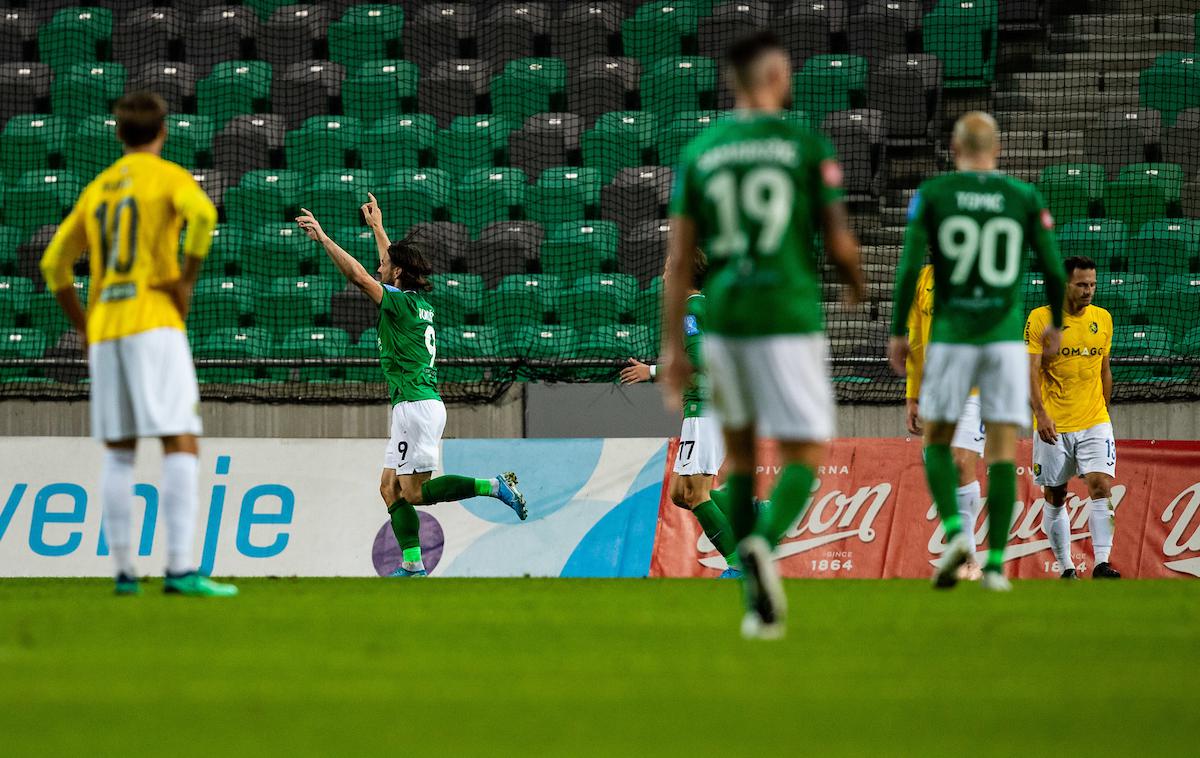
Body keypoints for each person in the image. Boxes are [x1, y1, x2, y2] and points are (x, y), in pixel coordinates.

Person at [661, 31, 865, 639]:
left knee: (742, 457)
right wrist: (857, 283)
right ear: (777, 75)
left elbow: (679, 260)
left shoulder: (703, 151)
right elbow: (838, 240)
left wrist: (673, 348)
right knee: (804, 453)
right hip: (788, 315)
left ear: (732, 81)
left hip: (728, 317)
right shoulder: (803, 145)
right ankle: (762, 545)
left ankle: (748, 567)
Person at [39, 91, 236, 596]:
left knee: (120, 451)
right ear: (162, 131)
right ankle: (178, 569)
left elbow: (53, 265)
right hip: (154, 323)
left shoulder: (98, 188)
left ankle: (124, 573)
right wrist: (186, 280)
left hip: (107, 330)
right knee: (180, 440)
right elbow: (205, 218)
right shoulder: (168, 177)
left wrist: (84, 326)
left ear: (118, 134)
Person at [296, 195, 527, 577]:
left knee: (416, 492)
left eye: (385, 264)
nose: (379, 264)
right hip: (419, 403)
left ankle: (494, 486)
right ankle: (413, 565)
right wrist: (377, 228)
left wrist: (323, 237)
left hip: (415, 407)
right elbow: (390, 261)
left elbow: (358, 276)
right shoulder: (417, 302)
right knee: (389, 487)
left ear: (398, 271)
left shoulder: (399, 303)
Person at [890, 111, 1067, 592]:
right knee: (1003, 451)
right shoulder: (1023, 197)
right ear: (999, 148)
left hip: (951, 337)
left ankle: (953, 536)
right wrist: (1054, 319)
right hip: (1003, 339)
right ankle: (994, 565)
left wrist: (896, 330)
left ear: (953, 146)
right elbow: (1053, 267)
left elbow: (909, 268)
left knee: (936, 443)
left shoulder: (933, 196)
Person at [621, 252, 741, 578]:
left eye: (668, 268)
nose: (663, 276)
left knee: (695, 494)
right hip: (705, 409)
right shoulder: (703, 306)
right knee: (679, 494)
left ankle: (739, 564)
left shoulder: (691, 309)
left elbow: (701, 357)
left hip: (705, 409)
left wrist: (654, 371)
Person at [1026, 255, 1120, 579]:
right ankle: (1066, 566)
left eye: (1092, 284)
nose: (1088, 290)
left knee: (1100, 485)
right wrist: (1040, 413)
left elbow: (1104, 370)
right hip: (1054, 422)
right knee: (1056, 495)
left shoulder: (1103, 319)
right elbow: (1031, 372)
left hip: (1093, 418)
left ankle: (1102, 563)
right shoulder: (1041, 319)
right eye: (1081, 284)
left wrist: (1103, 413)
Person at [905, 264, 986, 580]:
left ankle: (969, 560)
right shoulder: (923, 279)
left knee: (961, 463)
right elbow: (915, 341)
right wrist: (913, 395)